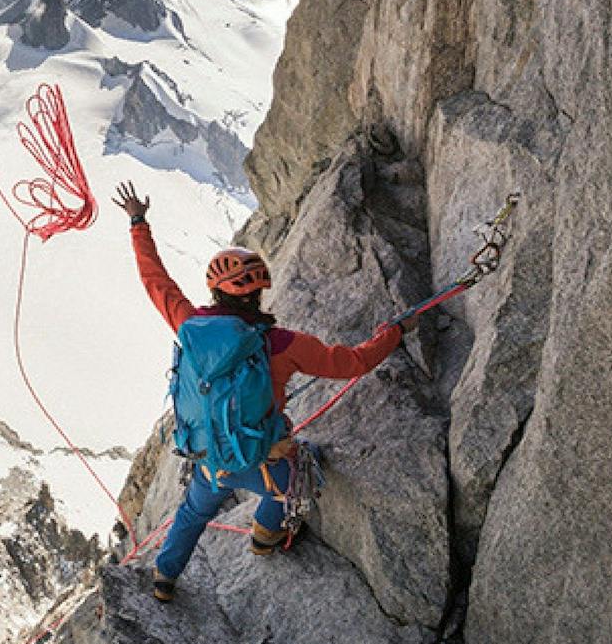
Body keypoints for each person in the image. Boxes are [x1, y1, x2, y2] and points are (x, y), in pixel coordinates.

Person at [111, 181, 405, 602]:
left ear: (215, 292)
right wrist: (393, 333)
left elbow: (156, 282)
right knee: (305, 468)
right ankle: (264, 539)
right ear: (258, 292)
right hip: (263, 460)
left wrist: (138, 223)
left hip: (209, 457)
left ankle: (164, 577)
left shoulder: (189, 326)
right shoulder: (281, 344)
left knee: (193, 512)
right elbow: (353, 363)